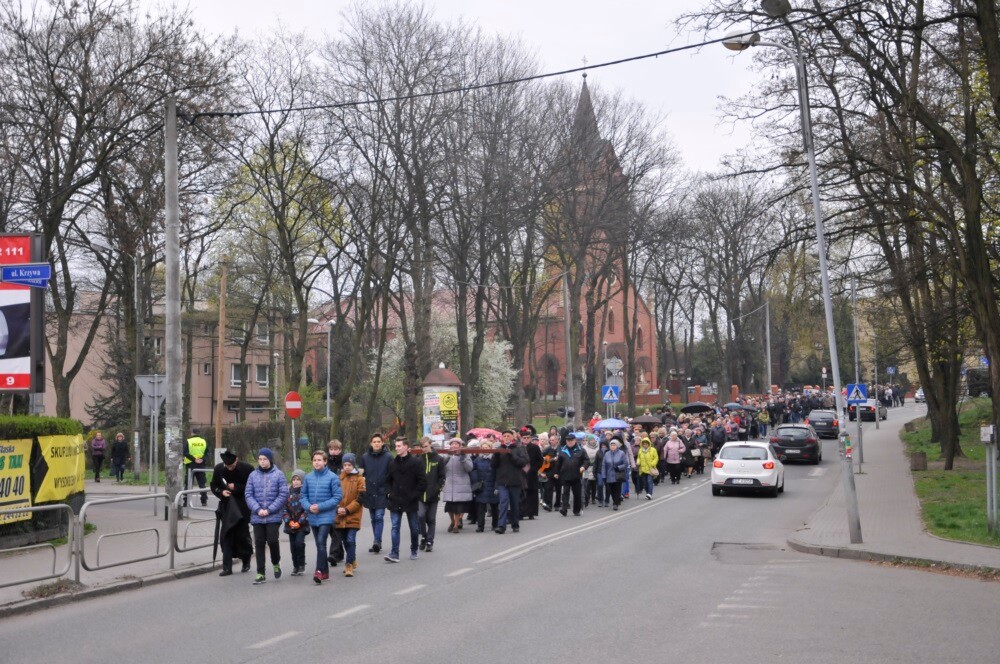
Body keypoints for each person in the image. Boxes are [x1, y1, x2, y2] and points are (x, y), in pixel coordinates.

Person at [245, 448, 288, 585]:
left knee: (272, 541)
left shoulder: (279, 475)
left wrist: (269, 510)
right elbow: (248, 494)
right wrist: (257, 509)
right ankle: (260, 572)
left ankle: (276, 562)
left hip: (273, 516)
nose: (262, 462)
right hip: (257, 516)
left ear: (270, 460)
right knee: (259, 543)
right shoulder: (252, 475)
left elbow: (283, 494)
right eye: (260, 459)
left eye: (265, 459)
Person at [298, 450, 342, 585]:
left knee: (321, 541)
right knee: (319, 545)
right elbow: (303, 496)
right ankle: (325, 572)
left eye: (319, 460)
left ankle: (318, 571)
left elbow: (337, 497)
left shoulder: (332, 477)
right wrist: (308, 506)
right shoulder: (308, 477)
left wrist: (320, 506)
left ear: (325, 461)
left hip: (326, 515)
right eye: (314, 460)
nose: (317, 462)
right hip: (313, 515)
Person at [210, 449, 253, 576]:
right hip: (227, 507)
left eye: (232, 466)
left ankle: (246, 561)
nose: (229, 468)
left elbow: (253, 486)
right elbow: (213, 486)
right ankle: (227, 567)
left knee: (242, 536)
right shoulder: (219, 469)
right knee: (226, 536)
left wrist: (237, 487)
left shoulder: (247, 469)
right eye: (227, 466)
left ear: (237, 460)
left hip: (242, 507)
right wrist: (221, 492)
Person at [384, 439, 427, 562]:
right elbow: (387, 481)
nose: (396, 448)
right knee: (395, 526)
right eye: (395, 446)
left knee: (414, 527)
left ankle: (414, 549)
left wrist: (415, 495)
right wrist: (388, 493)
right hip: (395, 500)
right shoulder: (392, 463)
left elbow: (423, 482)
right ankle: (394, 553)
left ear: (406, 447)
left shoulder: (416, 463)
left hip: (410, 500)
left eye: (399, 446)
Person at [492, 429, 529, 533]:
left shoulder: (519, 448)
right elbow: (493, 465)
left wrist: (511, 455)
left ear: (513, 437)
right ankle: (501, 526)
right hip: (502, 481)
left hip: (515, 480)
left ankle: (515, 524)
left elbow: (524, 462)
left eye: (508, 436)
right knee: (503, 502)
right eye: (504, 436)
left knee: (515, 503)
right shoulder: (500, 448)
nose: (506, 438)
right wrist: (496, 455)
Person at [359, 433, 391, 554]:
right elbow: (361, 473)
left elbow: (391, 474)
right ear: (371, 443)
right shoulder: (365, 457)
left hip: (382, 491)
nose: (376, 443)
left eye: (379, 441)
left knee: (379, 517)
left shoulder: (388, 457)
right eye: (374, 442)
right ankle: (377, 541)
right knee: (373, 518)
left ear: (382, 443)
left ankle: (377, 541)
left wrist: (389, 489)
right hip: (369, 492)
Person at [335, 453, 366, 578]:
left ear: (353, 464)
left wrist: (347, 509)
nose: (347, 467)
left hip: (353, 515)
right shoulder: (339, 478)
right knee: (344, 541)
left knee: (350, 539)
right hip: (340, 515)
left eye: (349, 464)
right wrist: (338, 508)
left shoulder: (360, 479)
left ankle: (348, 565)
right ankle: (352, 559)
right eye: (345, 465)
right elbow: (335, 495)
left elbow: (360, 498)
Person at [418, 437, 447, 552]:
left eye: (425, 446)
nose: (424, 449)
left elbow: (442, 477)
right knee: (420, 515)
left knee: (431, 519)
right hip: (420, 495)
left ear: (430, 445)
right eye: (422, 447)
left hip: (433, 495)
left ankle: (430, 541)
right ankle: (424, 536)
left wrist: (438, 488)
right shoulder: (418, 459)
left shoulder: (439, 459)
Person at [441, 437, 473, 534]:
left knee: (458, 508)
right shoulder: (446, 456)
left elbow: (469, 468)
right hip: (450, 484)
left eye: (456, 444)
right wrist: (445, 461)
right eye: (452, 444)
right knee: (450, 507)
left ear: (460, 446)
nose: (454, 446)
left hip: (461, 484)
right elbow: (441, 469)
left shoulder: (465, 456)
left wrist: (463, 459)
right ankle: (453, 522)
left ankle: (456, 525)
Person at [282, 469, 310, 577]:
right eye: (294, 479)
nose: (296, 481)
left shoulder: (305, 493)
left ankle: (301, 564)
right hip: (290, 525)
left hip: (301, 526)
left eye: (298, 479)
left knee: (299, 543)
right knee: (293, 547)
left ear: (302, 481)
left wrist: (299, 522)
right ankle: (295, 566)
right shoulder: (287, 494)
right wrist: (289, 521)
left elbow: (307, 510)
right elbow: (284, 509)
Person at [554, 433, 589, 516]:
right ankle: (564, 509)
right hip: (565, 475)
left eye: (571, 440)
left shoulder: (581, 450)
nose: (569, 442)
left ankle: (576, 510)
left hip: (576, 475)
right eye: (568, 441)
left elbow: (586, 460)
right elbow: (558, 463)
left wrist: (584, 467)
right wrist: (556, 472)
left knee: (577, 494)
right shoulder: (562, 450)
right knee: (565, 493)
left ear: (575, 440)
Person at [469, 440, 499, 531]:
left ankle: (495, 524)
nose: (485, 449)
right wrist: (476, 483)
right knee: (481, 507)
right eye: (483, 447)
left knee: (494, 507)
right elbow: (472, 469)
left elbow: (498, 473)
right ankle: (480, 526)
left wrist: (497, 486)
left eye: (487, 447)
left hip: (493, 485)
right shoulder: (478, 459)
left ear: (490, 448)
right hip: (482, 486)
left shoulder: (495, 459)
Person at [521, 426, 543, 520]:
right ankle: (521, 513)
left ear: (530, 438)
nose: (526, 439)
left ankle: (531, 513)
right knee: (522, 494)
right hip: (521, 473)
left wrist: (534, 468)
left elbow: (540, 460)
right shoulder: (519, 447)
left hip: (532, 473)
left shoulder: (535, 448)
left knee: (532, 494)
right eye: (524, 438)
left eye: (528, 438)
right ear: (522, 439)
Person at [184, 428, 209, 506]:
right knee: (202, 483)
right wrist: (202, 459)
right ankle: (204, 501)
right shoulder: (203, 441)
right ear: (199, 433)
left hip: (191, 465)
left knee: (188, 484)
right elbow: (208, 453)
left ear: (192, 433)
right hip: (201, 465)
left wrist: (194, 459)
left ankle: (186, 502)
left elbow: (185, 453)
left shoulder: (189, 441)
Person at [601, 438, 628, 511]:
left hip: (618, 474)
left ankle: (615, 503)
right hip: (609, 475)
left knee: (617, 489)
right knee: (611, 490)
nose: (612, 446)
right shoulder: (607, 454)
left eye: (614, 445)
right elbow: (603, 465)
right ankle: (615, 500)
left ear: (617, 446)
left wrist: (618, 467)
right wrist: (603, 475)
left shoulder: (621, 453)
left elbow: (625, 464)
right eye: (611, 445)